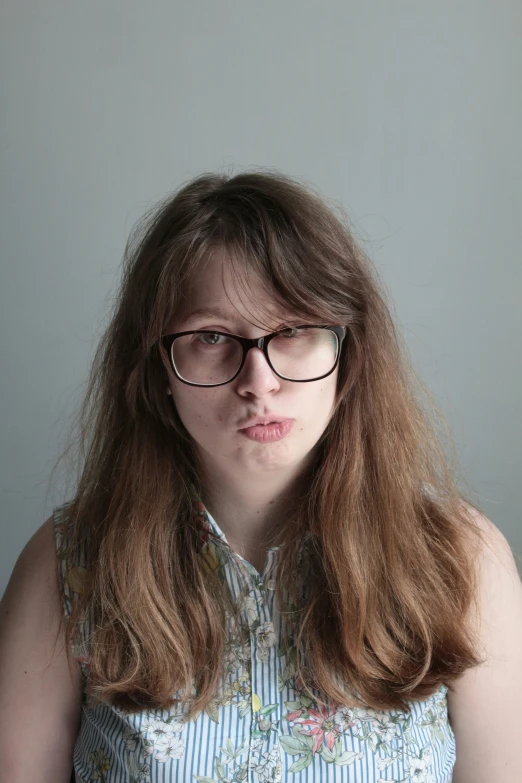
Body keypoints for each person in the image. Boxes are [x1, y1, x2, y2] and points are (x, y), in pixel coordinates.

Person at [0, 170, 521, 783]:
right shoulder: (67, 567)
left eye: (294, 331)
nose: (259, 383)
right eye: (212, 336)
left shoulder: (460, 559)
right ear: (157, 367)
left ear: (347, 352)